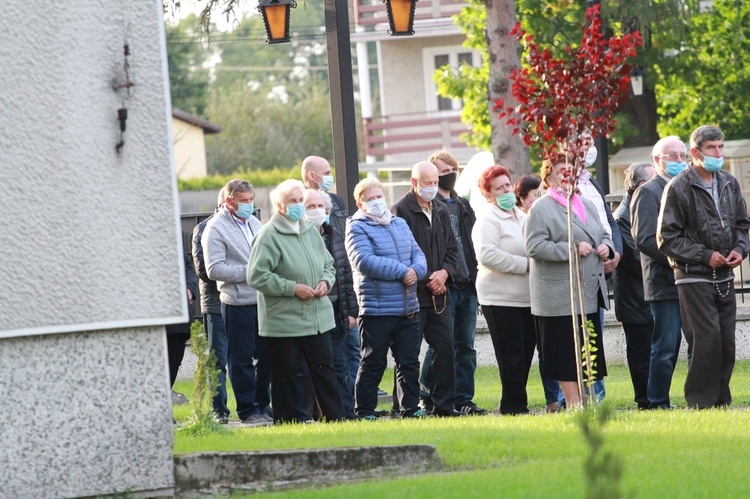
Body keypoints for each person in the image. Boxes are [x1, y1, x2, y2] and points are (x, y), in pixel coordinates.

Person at [658, 125, 750, 409]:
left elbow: (743, 226)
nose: (718, 153)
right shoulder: (679, 186)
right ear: (696, 152)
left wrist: (739, 249)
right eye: (712, 148)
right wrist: (704, 254)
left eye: (721, 147)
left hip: (724, 274)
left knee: (726, 341)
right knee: (706, 339)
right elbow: (667, 237)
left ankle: (721, 399)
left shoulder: (729, 183)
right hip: (693, 275)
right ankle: (700, 402)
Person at [247, 179, 345, 424]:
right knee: (287, 375)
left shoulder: (310, 230)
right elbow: (257, 276)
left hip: (317, 316)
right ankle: (290, 421)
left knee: (325, 371)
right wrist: (292, 289)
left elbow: (329, 264)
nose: (300, 206)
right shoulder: (268, 235)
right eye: (294, 201)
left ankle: (336, 420)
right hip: (284, 319)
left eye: (301, 200)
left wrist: (325, 281)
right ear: (280, 206)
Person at [524, 154, 612, 407]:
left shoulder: (586, 203)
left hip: (589, 291)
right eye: (562, 170)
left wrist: (607, 247)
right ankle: (574, 404)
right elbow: (534, 246)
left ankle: (590, 401)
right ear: (548, 175)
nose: (568, 176)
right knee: (565, 352)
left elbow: (603, 233)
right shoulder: (542, 207)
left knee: (589, 348)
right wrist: (571, 249)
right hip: (559, 294)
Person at [346, 177, 429, 419]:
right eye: (370, 199)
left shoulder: (399, 223)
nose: (376, 202)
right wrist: (403, 272)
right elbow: (364, 261)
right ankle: (364, 410)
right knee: (373, 362)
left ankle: (409, 408)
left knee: (409, 362)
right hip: (376, 309)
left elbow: (418, 253)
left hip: (407, 307)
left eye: (378, 196)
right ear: (360, 204)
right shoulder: (356, 226)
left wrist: (416, 271)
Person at [392, 161, 463, 417]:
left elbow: (453, 250)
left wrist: (444, 273)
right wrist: (425, 279)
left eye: (436, 182)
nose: (434, 187)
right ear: (414, 182)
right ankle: (404, 407)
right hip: (412, 296)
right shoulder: (401, 210)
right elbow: (400, 254)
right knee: (408, 355)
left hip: (439, 294)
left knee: (445, 348)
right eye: (428, 183)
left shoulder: (441, 209)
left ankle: (444, 405)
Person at [202, 179, 272, 427]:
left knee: (266, 357)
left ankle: (264, 404)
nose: (249, 205)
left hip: (262, 301)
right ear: (229, 201)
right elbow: (214, 268)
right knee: (241, 360)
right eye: (243, 201)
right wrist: (251, 272)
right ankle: (247, 409)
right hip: (237, 302)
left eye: (251, 200)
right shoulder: (215, 228)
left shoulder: (254, 222)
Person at [427, 149, 488, 415]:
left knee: (465, 346)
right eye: (442, 172)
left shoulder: (463, 205)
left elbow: (472, 243)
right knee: (442, 346)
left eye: (452, 170)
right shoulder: (429, 206)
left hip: (467, 285)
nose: (448, 175)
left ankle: (464, 399)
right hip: (445, 287)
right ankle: (429, 394)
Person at [473, 165, 536, 415]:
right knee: (511, 356)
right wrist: (525, 264)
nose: (506, 190)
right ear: (488, 195)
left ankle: (511, 401)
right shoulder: (487, 220)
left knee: (526, 353)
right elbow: (487, 255)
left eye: (508, 185)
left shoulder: (523, 217)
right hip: (500, 298)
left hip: (527, 296)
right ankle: (515, 407)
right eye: (499, 187)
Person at [630, 136, 687, 410]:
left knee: (696, 344)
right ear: (657, 160)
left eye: (682, 155)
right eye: (672, 156)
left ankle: (698, 396)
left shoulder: (687, 188)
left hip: (691, 280)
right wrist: (680, 260)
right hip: (664, 281)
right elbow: (644, 238)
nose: (679, 161)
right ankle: (657, 401)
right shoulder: (649, 191)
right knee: (665, 347)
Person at [301, 155, 361, 388]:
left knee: (352, 349)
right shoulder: (298, 200)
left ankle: (354, 399)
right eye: (325, 172)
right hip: (319, 297)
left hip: (343, 288)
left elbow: (344, 237)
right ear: (311, 176)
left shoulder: (336, 201)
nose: (329, 176)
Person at [612, 162, 655, 409]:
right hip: (636, 299)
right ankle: (645, 399)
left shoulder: (648, 211)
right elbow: (635, 260)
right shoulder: (621, 219)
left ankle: (656, 396)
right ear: (640, 186)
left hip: (651, 294)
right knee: (641, 353)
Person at [515, 174, 559, 412]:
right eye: (535, 195)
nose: (539, 199)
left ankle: (554, 398)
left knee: (548, 349)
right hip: (521, 294)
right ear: (522, 197)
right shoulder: (526, 217)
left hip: (544, 291)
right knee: (524, 352)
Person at [191, 188, 231, 424]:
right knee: (217, 360)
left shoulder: (248, 225)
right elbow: (204, 270)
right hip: (216, 303)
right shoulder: (204, 229)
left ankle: (258, 405)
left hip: (243, 301)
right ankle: (220, 410)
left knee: (245, 358)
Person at [166, 251, 199, 390]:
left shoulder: (174, 241)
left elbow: (188, 267)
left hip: (181, 316)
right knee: (165, 362)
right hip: (164, 316)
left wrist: (190, 288)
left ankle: (166, 399)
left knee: (176, 359)